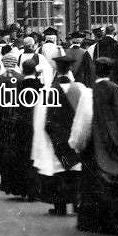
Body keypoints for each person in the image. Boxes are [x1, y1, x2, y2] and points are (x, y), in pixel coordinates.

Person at [69, 56, 118, 235]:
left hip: (95, 146)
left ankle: (92, 221)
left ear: (95, 70)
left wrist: (77, 144)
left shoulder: (89, 93)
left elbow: (83, 123)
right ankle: (112, 220)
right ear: (111, 71)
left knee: (93, 183)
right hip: (117, 145)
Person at [37, 47, 86, 214]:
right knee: (75, 168)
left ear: (57, 70)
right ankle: (77, 204)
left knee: (58, 168)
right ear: (70, 69)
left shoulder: (52, 90)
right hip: (75, 134)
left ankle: (60, 206)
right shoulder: (78, 89)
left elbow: (47, 117)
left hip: (57, 136)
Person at [0, 55, 39, 200]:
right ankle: (34, 190)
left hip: (20, 125)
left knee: (21, 156)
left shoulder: (19, 85)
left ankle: (22, 188)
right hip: (35, 124)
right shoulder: (39, 85)